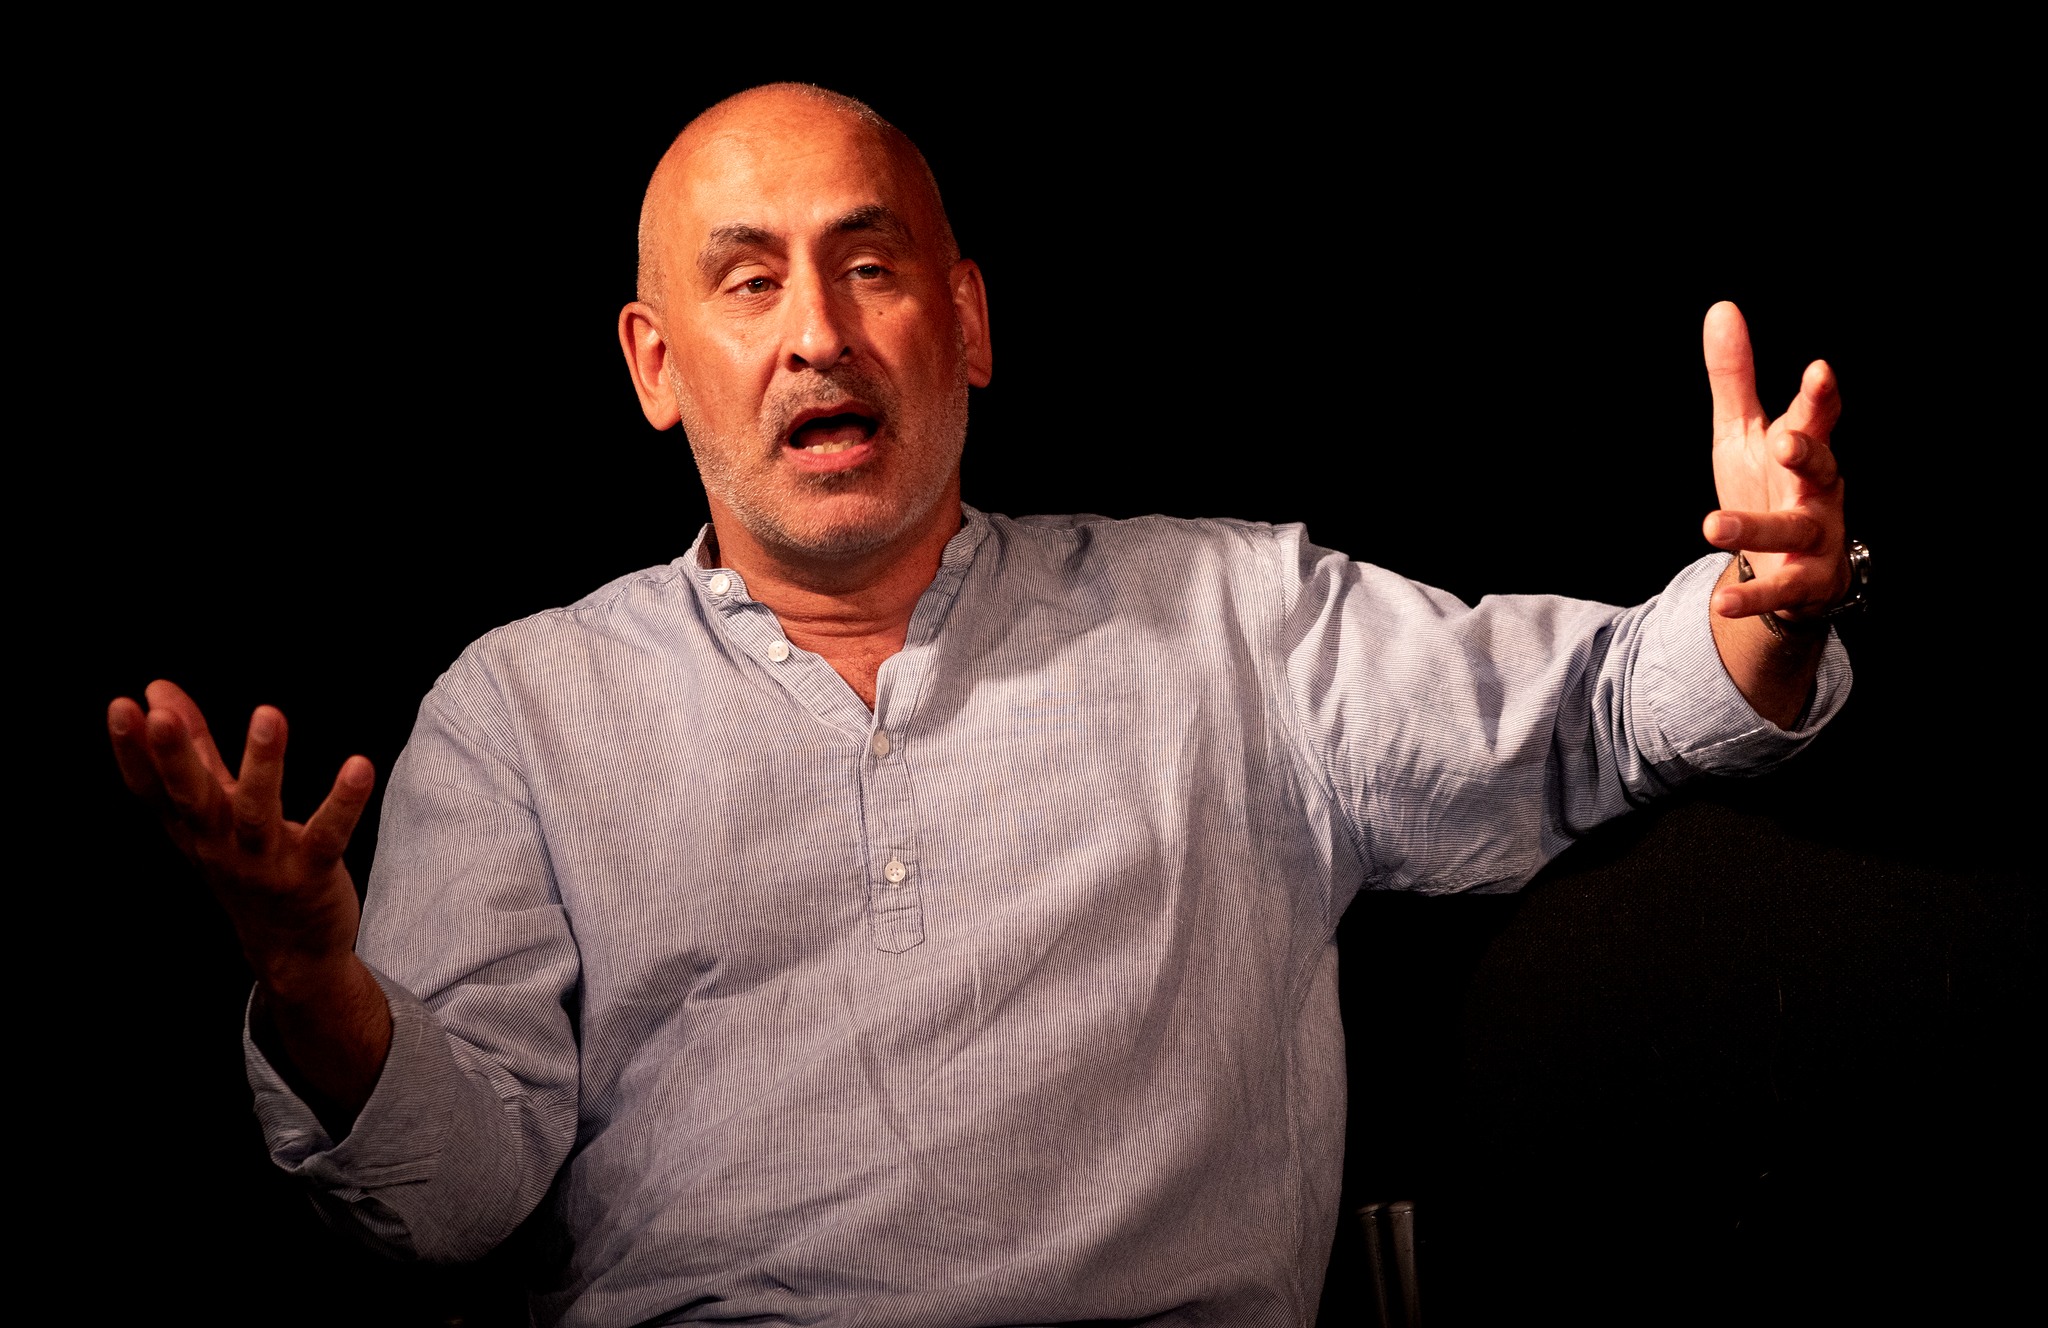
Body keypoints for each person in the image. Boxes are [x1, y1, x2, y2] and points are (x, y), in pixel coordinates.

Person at [105, 84, 1859, 1327]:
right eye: (748, 281)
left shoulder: (1236, 618)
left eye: (870, 269)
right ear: (656, 366)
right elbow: (449, 1202)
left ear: (965, 323)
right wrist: (315, 985)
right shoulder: (520, 710)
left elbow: (1596, 712)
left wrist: (1763, 607)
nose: (818, 333)